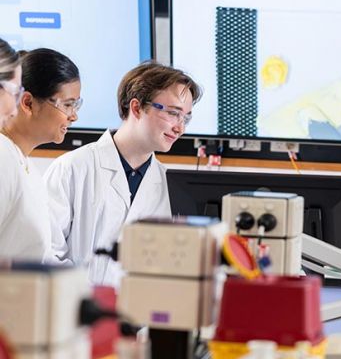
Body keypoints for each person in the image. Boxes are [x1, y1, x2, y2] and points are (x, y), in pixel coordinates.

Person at [45, 61, 202, 286]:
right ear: (136, 107)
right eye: (173, 113)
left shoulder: (169, 184)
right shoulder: (72, 168)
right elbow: (47, 253)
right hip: (76, 311)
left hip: (141, 314)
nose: (180, 128)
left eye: (185, 118)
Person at [0, 47, 81, 262]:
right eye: (67, 105)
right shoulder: (3, 157)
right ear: (27, 103)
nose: (74, 117)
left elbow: (40, 256)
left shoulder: (25, 166)